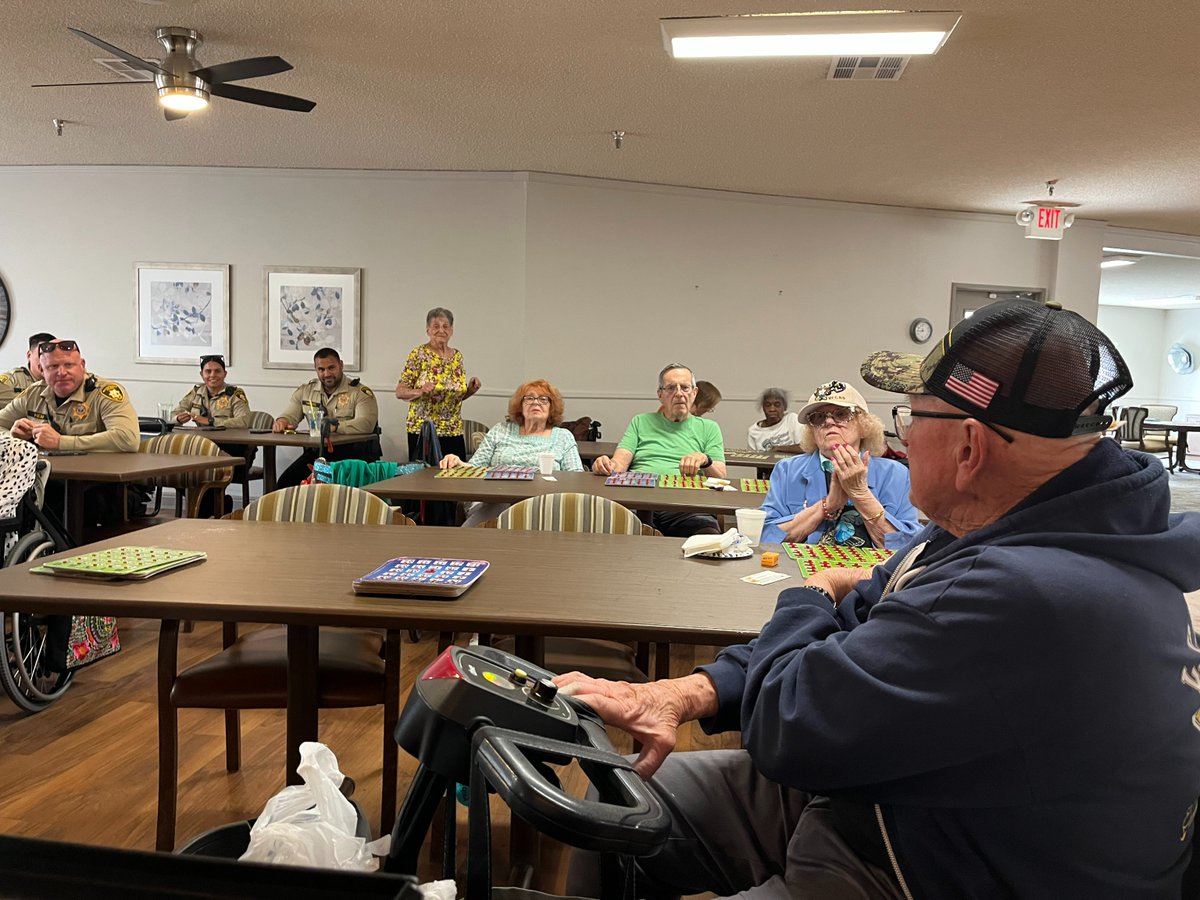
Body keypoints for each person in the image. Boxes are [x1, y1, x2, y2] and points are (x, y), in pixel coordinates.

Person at [560, 300, 1200, 898]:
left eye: (912, 416)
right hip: (894, 790)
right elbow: (862, 608)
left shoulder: (1031, 592)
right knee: (615, 809)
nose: (899, 435)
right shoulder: (997, 524)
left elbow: (792, 724)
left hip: (928, 863)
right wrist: (683, 692)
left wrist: (807, 592)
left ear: (970, 447)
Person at [757, 380, 920, 550]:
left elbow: (910, 549)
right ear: (812, 430)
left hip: (872, 573)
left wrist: (861, 494)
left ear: (864, 425)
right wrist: (827, 506)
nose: (828, 422)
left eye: (841, 414)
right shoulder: (788, 470)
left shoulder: (895, 474)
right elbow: (764, 537)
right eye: (818, 417)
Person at [592, 364, 726, 536]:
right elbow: (619, 464)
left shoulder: (709, 428)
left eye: (685, 387)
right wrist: (604, 464)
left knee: (710, 540)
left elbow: (721, 475)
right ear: (660, 395)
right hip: (638, 503)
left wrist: (705, 459)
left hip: (685, 507)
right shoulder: (640, 421)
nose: (679, 393)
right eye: (671, 388)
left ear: (694, 393)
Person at [440, 379, 585, 526]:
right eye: (529, 398)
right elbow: (476, 467)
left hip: (543, 504)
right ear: (520, 406)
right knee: (502, 510)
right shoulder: (501, 430)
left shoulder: (563, 436)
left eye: (543, 399)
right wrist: (458, 463)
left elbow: (576, 477)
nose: (536, 403)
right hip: (494, 500)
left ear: (552, 407)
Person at [0, 339, 138, 452]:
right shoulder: (33, 394)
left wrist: (61, 443)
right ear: (42, 370)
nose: (62, 372)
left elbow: (127, 439)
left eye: (69, 365)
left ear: (82, 365)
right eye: (53, 366)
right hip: (45, 478)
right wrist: (14, 439)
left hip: (95, 478)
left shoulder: (104, 392)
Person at [273, 347, 379, 489]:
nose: (327, 374)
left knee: (333, 491)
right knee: (286, 484)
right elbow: (289, 415)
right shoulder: (306, 391)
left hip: (353, 457)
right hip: (318, 454)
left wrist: (335, 427)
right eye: (321, 370)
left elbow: (366, 424)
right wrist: (282, 422)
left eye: (331, 368)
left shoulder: (359, 392)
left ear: (341, 365)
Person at [394, 307, 482, 462]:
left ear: (452, 330)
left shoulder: (457, 357)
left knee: (455, 478)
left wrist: (470, 390)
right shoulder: (419, 354)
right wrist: (421, 391)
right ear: (428, 330)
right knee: (425, 479)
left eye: (445, 326)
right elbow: (400, 392)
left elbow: (455, 398)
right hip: (424, 430)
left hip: (453, 429)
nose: (441, 330)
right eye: (436, 326)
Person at [171, 355, 251, 428]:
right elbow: (172, 416)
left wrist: (211, 421)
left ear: (225, 374)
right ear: (202, 374)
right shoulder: (196, 392)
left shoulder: (235, 394)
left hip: (228, 441)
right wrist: (177, 419)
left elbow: (243, 422)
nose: (212, 375)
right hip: (202, 440)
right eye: (208, 371)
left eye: (217, 371)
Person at [0, 332, 56, 409]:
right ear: (29, 355)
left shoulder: (61, 381)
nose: (47, 361)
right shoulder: (11, 381)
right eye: (41, 355)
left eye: (52, 356)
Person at [746, 387, 804, 452]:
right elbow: (752, 458)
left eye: (777, 405)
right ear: (763, 408)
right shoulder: (753, 431)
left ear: (784, 407)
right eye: (768, 405)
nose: (772, 409)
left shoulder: (792, 419)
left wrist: (780, 449)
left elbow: (805, 447)